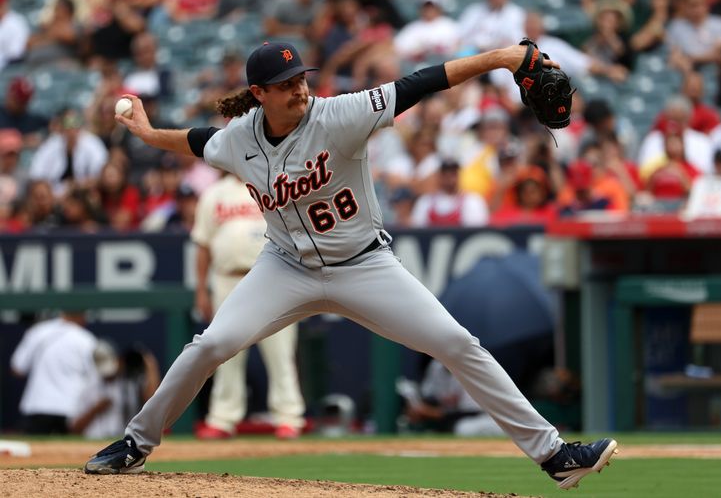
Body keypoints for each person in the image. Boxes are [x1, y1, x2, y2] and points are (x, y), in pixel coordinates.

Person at [84, 40, 617, 490]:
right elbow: (199, 142)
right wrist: (150, 135)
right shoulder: (237, 140)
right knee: (211, 345)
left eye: (300, 78)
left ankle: (553, 456)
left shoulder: (338, 115)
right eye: (286, 83)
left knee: (457, 344)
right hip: (284, 267)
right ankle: (136, 441)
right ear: (259, 95)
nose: (299, 88)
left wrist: (502, 57)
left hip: (364, 265)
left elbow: (421, 82)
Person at [192, 173, 306, 440]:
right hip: (227, 278)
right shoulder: (214, 193)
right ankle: (222, 418)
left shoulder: (274, 183)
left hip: (273, 277)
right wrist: (200, 289)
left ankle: (289, 416)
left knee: (280, 351)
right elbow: (203, 245)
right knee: (225, 351)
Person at [10, 311, 99, 434]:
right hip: (71, 406)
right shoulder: (86, 339)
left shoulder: (37, 332)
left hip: (38, 405)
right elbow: (95, 377)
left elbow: (18, 369)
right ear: (81, 316)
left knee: (37, 449)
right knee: (71, 451)